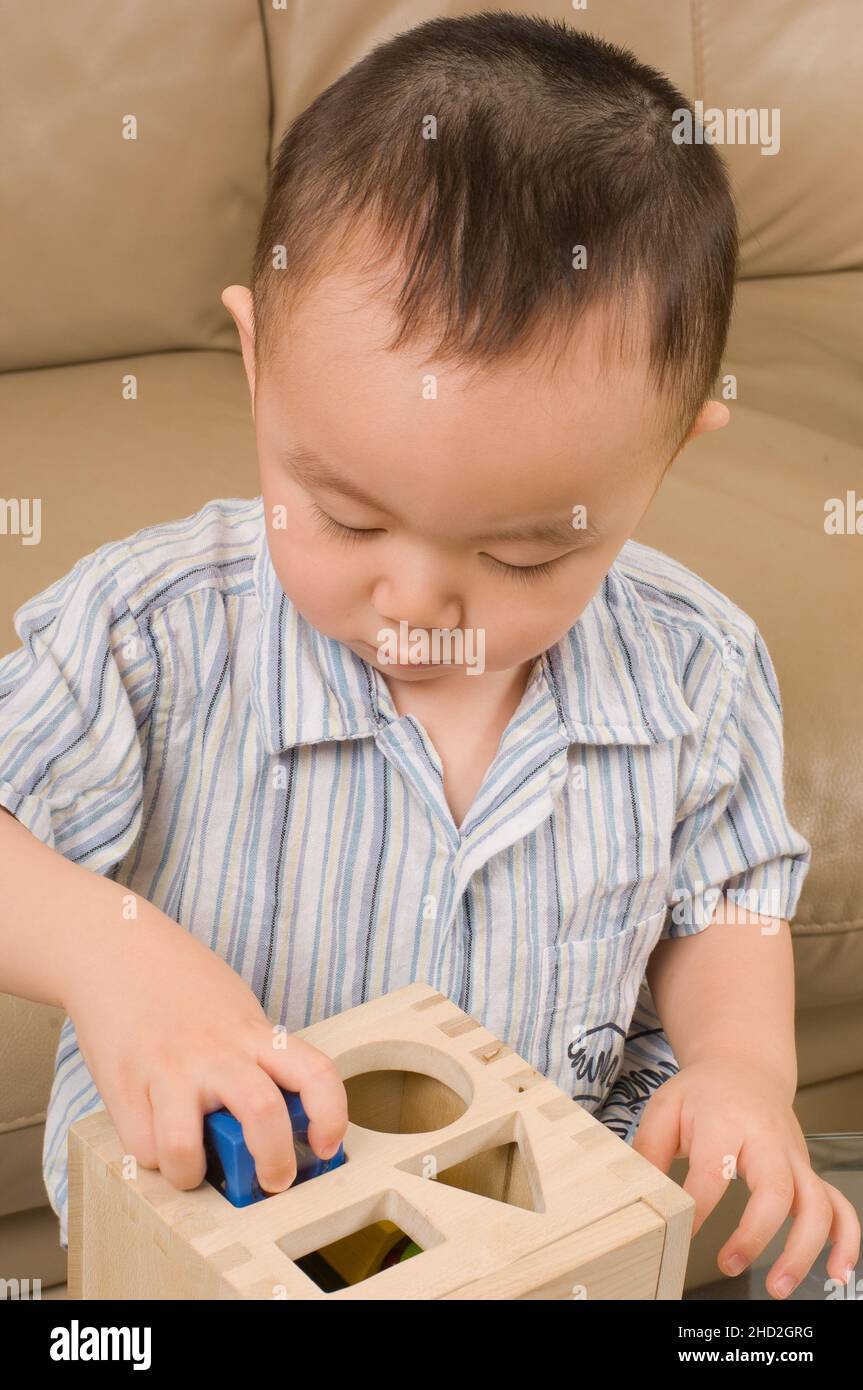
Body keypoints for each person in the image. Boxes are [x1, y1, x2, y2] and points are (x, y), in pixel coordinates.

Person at [0, 14, 857, 1297]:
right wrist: (115, 951)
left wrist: (742, 1070)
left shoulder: (695, 666)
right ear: (255, 362)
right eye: (344, 515)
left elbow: (723, 900)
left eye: (521, 556)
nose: (416, 598)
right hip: (217, 1248)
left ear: (672, 449)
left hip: (541, 1243)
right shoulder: (152, 633)